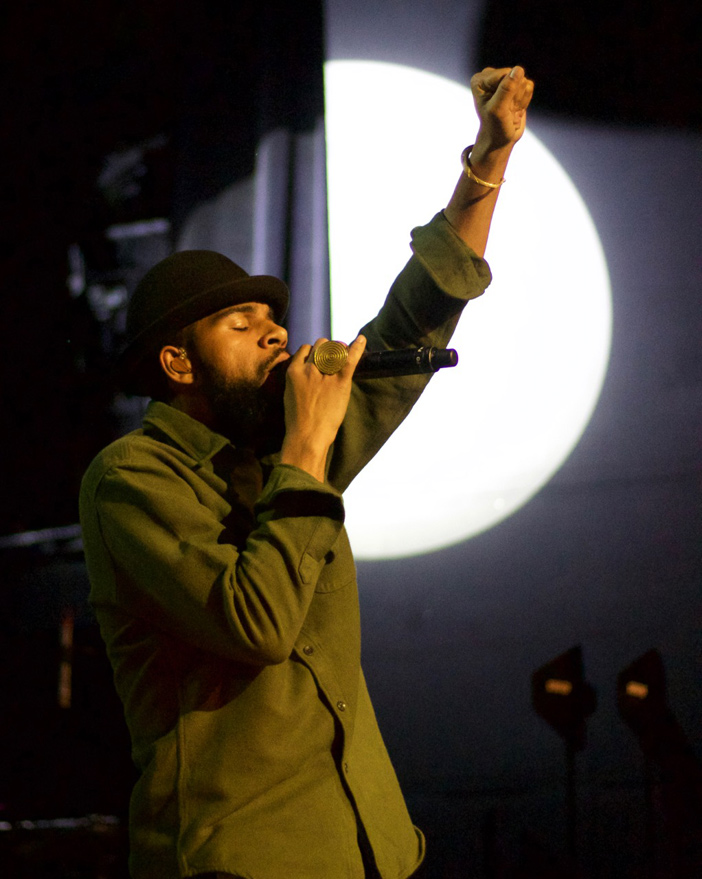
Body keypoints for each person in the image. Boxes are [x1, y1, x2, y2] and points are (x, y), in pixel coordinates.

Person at [80, 66, 534, 879]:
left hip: (363, 849)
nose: (275, 334)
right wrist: (306, 447)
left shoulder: (283, 452)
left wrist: (488, 159)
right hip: (247, 857)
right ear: (178, 362)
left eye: (274, 319)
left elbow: (417, 313)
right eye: (240, 321)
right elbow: (255, 624)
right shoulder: (132, 478)